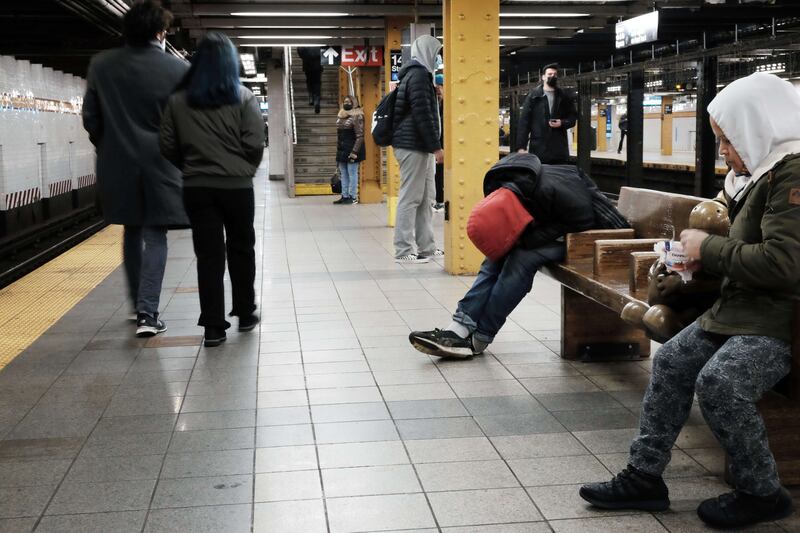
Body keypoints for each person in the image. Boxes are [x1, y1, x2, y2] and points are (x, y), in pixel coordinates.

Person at [580, 72, 800, 530]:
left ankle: (763, 492)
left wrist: (707, 248)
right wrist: (695, 262)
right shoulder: (758, 175)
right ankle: (644, 476)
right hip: (738, 310)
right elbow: (745, 252)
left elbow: (783, 264)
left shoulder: (792, 174)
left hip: (777, 321)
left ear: (758, 128)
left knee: (721, 384)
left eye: (727, 139)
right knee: (673, 362)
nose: (723, 151)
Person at [409, 153, 625, 357]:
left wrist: (529, 239)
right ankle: (459, 327)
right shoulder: (508, 187)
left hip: (593, 234)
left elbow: (583, 220)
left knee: (522, 259)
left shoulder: (557, 192)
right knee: (496, 258)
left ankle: (480, 337)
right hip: (559, 224)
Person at [82, 0, 189, 337]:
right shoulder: (178, 70)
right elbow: (184, 122)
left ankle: (135, 306)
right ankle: (148, 313)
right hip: (162, 163)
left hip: (119, 163)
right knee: (156, 235)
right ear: (160, 32)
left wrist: (110, 147)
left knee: (132, 231)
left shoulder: (101, 64)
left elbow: (91, 118)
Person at [159, 32, 265, 347]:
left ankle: (214, 327)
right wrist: (245, 169)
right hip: (237, 187)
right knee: (241, 248)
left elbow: (166, 144)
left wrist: (190, 167)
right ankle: (245, 313)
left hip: (197, 188)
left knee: (208, 255)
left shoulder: (178, 100)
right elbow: (255, 142)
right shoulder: (244, 97)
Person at [391, 35, 444, 264]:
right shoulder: (419, 76)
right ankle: (403, 250)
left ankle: (427, 247)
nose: (438, 57)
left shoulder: (420, 76)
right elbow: (423, 116)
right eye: (436, 52)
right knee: (411, 198)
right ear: (427, 52)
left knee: (426, 198)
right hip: (413, 146)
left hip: (419, 146)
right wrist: (436, 147)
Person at [516, 63, 578, 165]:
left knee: (558, 178)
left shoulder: (564, 97)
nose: (552, 76)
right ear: (543, 77)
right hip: (538, 149)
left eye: (555, 74)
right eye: (549, 74)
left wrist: (562, 123)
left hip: (559, 150)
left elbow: (572, 118)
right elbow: (524, 123)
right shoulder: (533, 96)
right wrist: (521, 147)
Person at [333, 94, 365, 205]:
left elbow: (360, 136)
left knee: (352, 174)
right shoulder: (341, 115)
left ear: (354, 103)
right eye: (345, 101)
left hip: (352, 150)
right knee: (344, 174)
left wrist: (354, 152)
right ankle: (345, 196)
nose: (346, 103)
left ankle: (353, 197)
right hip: (342, 150)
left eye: (349, 102)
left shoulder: (357, 116)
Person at [433, 73, 445, 212]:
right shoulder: (435, 103)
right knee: (438, 175)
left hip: (446, 144)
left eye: (440, 86)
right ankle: (438, 199)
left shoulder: (446, 105)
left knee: (441, 174)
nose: (438, 90)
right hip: (438, 145)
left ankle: (441, 200)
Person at [297, 47, 322, 114]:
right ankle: (317, 101)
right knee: (317, 83)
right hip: (317, 65)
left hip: (307, 65)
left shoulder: (304, 42)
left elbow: (300, 51)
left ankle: (311, 97)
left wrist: (306, 56)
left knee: (309, 81)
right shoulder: (319, 42)